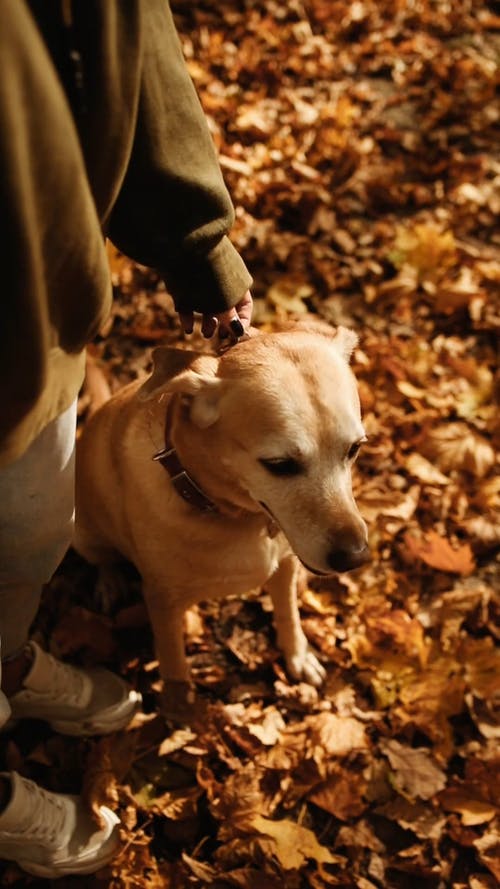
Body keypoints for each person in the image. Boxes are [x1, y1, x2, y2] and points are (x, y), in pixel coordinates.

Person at [0, 0, 253, 878]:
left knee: (31, 531)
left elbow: (119, 26)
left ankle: (2, 667)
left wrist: (199, 243)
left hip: (36, 308)